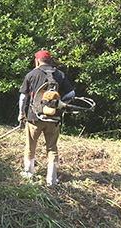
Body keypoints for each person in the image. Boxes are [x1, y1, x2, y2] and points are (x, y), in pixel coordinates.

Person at [18, 49, 75, 187]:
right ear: (50, 61)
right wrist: (62, 104)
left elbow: (23, 97)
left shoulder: (32, 74)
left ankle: (28, 173)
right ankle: (51, 180)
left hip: (34, 118)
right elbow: (71, 93)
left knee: (30, 146)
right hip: (53, 119)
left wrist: (21, 114)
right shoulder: (60, 75)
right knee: (52, 148)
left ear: (37, 61)